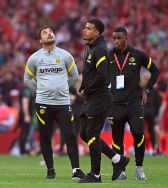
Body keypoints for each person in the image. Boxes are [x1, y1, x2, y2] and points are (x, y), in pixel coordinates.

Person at [23, 26, 86, 180]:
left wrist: (63, 87)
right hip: (43, 103)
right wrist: (39, 91)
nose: (49, 33)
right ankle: (50, 170)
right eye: (44, 32)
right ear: (40, 40)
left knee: (70, 135)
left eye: (50, 31)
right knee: (45, 137)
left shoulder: (65, 55)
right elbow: (27, 78)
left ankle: (76, 170)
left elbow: (74, 76)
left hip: (63, 103)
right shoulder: (35, 58)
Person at [78, 19, 130, 183]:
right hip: (92, 97)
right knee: (85, 134)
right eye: (85, 27)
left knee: (92, 135)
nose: (85, 30)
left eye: (89, 28)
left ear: (97, 33)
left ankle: (95, 175)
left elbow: (102, 76)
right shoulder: (92, 48)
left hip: (99, 98)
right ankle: (117, 159)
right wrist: (84, 88)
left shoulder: (100, 49)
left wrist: (87, 89)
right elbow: (92, 74)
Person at [108, 27, 159, 180]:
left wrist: (147, 89)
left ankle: (139, 167)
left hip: (134, 103)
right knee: (117, 138)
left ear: (126, 38)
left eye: (119, 38)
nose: (116, 41)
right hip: (115, 104)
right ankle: (120, 169)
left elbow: (155, 71)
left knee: (138, 133)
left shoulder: (137, 55)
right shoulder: (108, 56)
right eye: (114, 38)